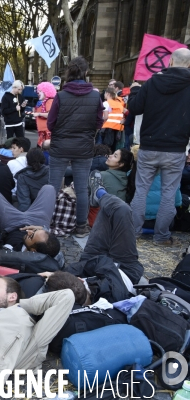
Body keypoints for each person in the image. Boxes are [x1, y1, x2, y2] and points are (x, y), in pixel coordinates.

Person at [127, 48, 190, 246]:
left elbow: (134, 107)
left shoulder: (153, 81)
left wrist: (136, 89)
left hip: (149, 146)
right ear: (188, 64)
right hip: (176, 148)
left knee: (141, 191)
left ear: (170, 61)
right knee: (168, 193)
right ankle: (161, 236)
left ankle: (133, 232)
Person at [47, 56, 104, 238]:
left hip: (60, 146)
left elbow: (50, 123)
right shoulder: (95, 96)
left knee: (52, 187)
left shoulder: (61, 95)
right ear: (86, 73)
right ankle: (81, 227)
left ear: (68, 73)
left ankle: (47, 223)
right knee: (81, 189)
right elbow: (98, 122)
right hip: (84, 148)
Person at [84, 178, 145, 283]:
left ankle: (100, 194)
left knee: (110, 210)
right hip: (123, 274)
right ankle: (100, 194)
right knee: (119, 209)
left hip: (91, 264)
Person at [0, 185, 61, 257]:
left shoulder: (14, 254)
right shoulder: (51, 250)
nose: (29, 231)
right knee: (49, 188)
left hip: (12, 223)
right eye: (34, 231)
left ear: (33, 251)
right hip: (38, 220)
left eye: (31, 236)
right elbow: (56, 252)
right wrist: (42, 228)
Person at [33, 82, 56, 147]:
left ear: (45, 91)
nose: (38, 93)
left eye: (40, 91)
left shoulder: (49, 101)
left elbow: (50, 114)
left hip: (46, 133)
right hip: (42, 132)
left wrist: (38, 114)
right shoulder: (42, 102)